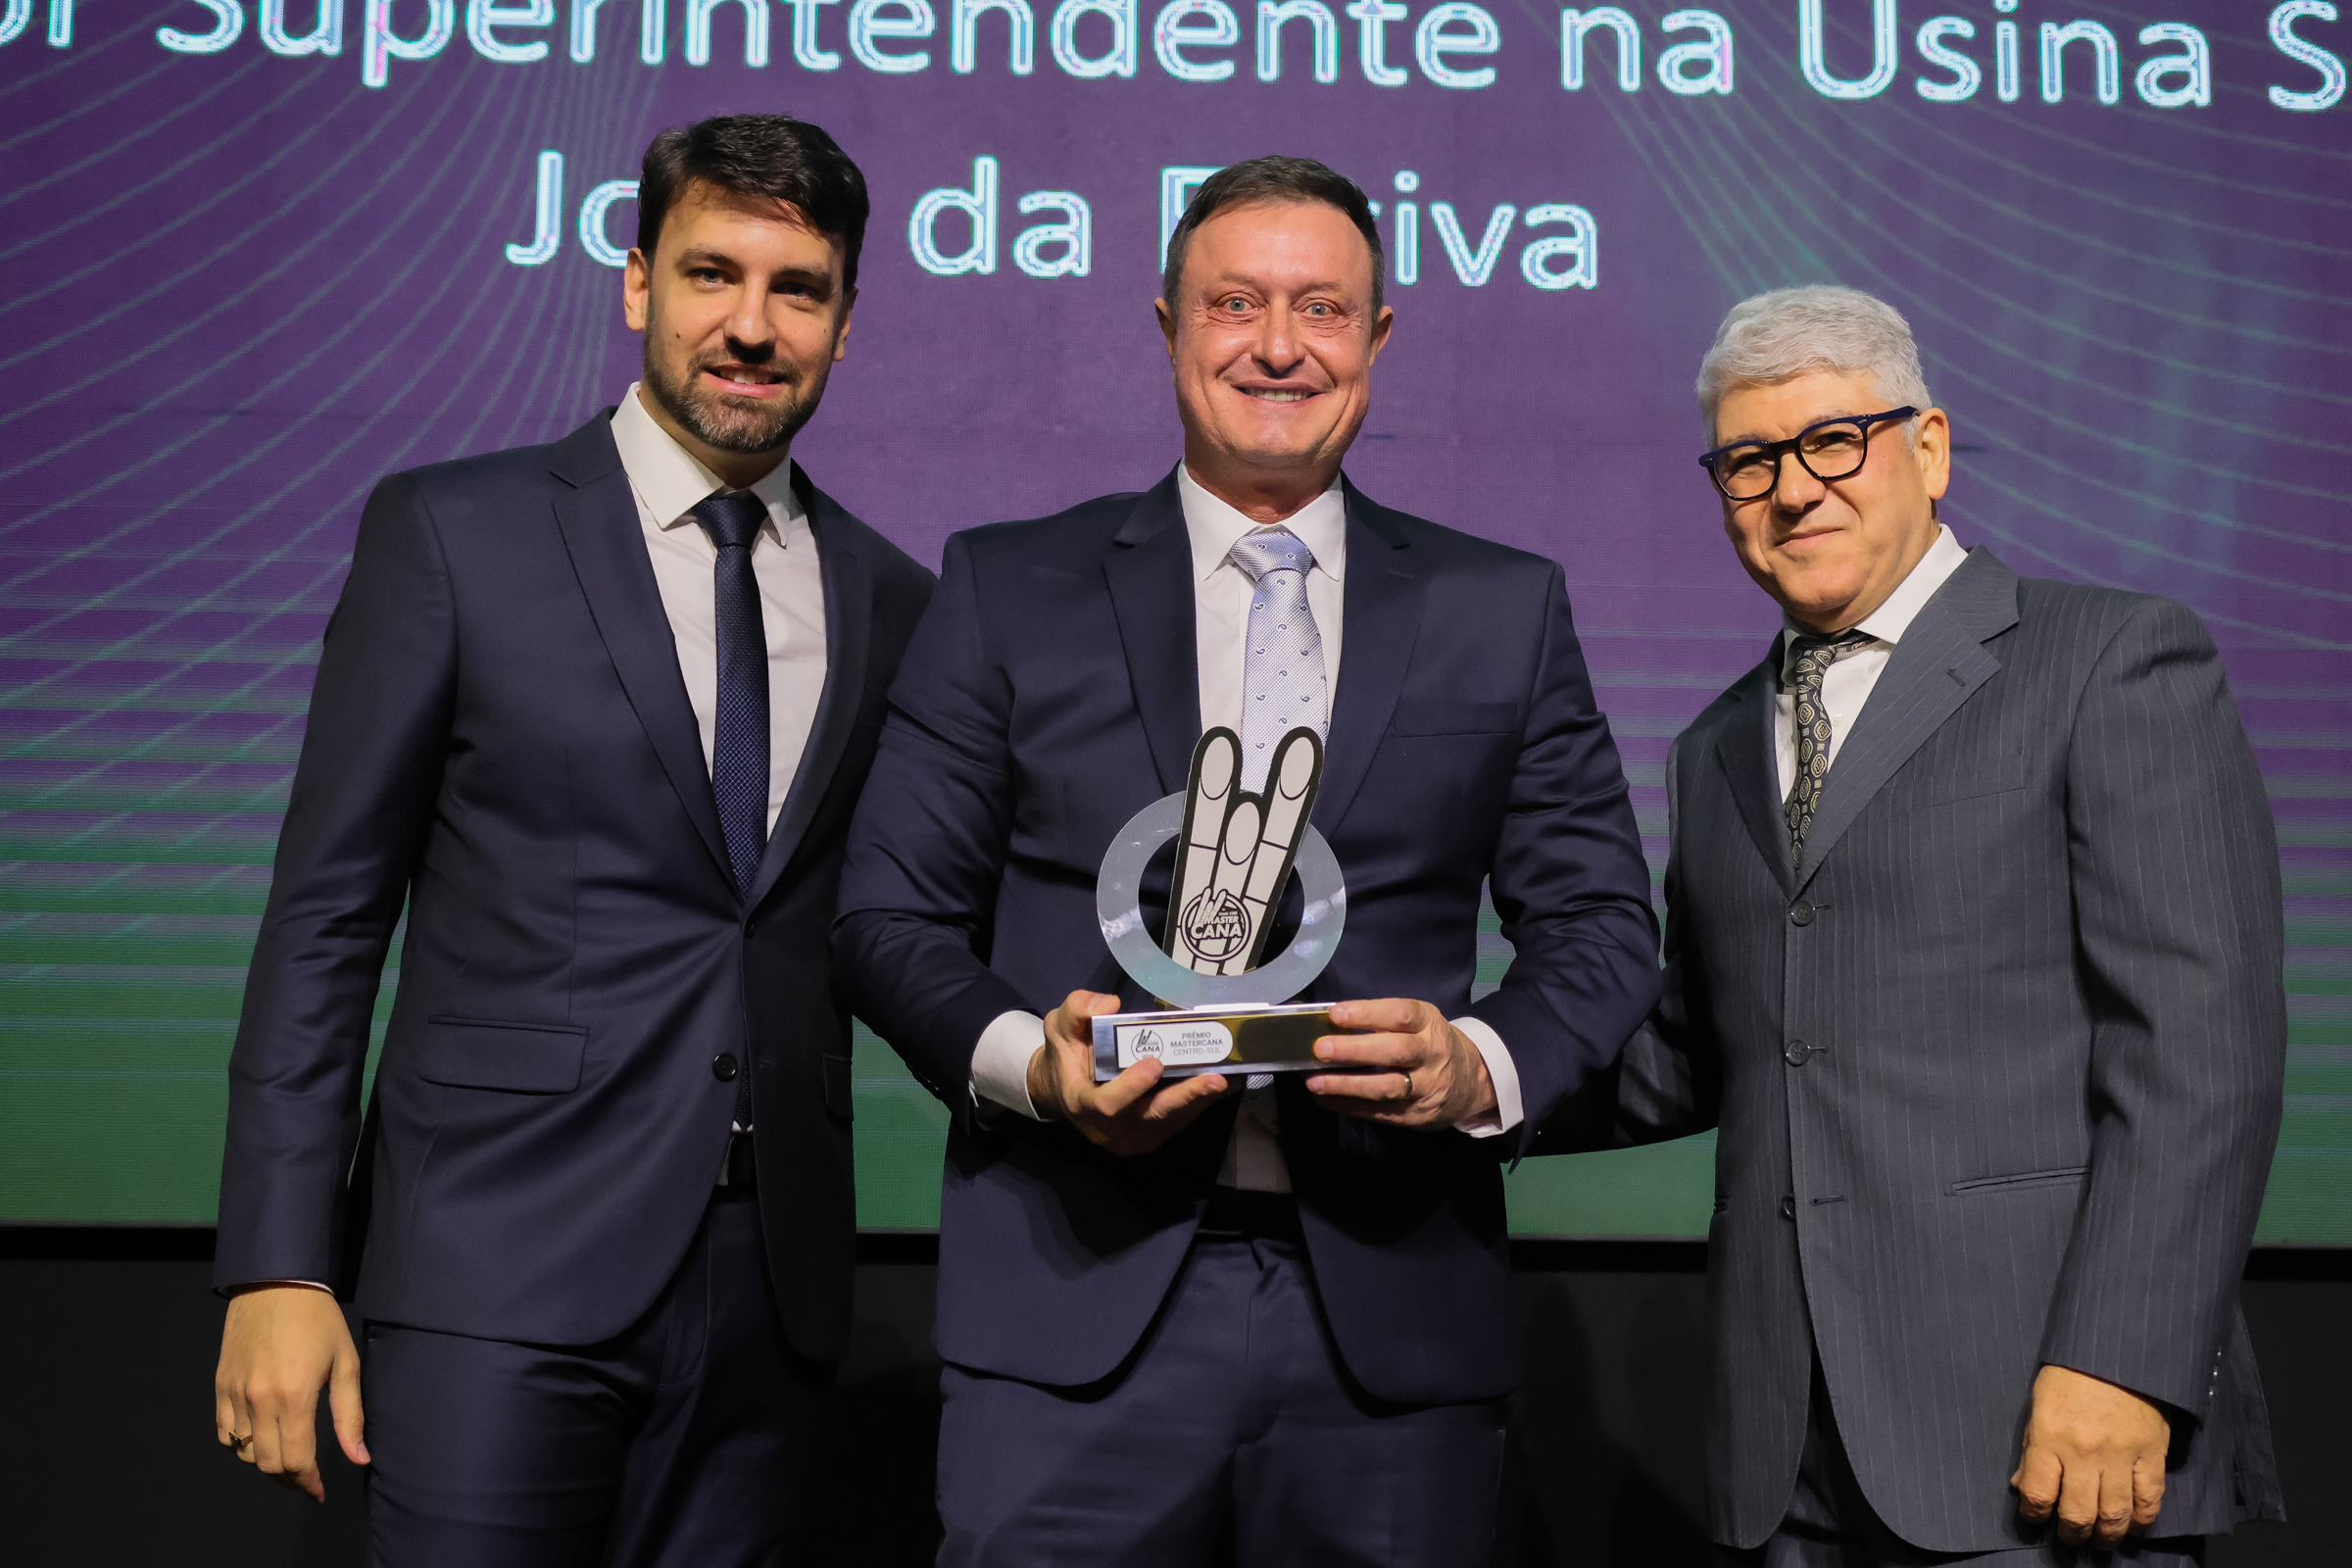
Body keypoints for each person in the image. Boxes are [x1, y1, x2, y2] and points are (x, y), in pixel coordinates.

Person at [832, 155, 1660, 1564]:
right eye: (1235, 305)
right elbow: (886, 914)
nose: (1278, 346)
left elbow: (1599, 930)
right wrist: (1034, 1059)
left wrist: (1479, 1068)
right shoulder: (1008, 586)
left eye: (1322, 309)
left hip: (1394, 1336)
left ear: (1378, 339)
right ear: (1168, 326)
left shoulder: (1501, 609)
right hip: (1066, 1319)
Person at [209, 114, 935, 1564]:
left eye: (798, 289)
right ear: (635, 286)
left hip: (771, 1300)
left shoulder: (892, 598)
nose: (750, 325)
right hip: (494, 1273)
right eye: (710, 273)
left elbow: (882, 925)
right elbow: (327, 920)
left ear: (848, 322)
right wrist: (279, 1267)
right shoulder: (450, 535)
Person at [1541, 285, 2285, 1565]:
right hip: (1790, 1456)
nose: (1793, 488)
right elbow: (1694, 1053)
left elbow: (2204, 1051)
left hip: (2047, 1433)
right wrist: (1446, 1077)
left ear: (1928, 448)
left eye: (1836, 440)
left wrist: (2125, 1365)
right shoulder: (1718, 743)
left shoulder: (2112, 659)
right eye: (1750, 460)